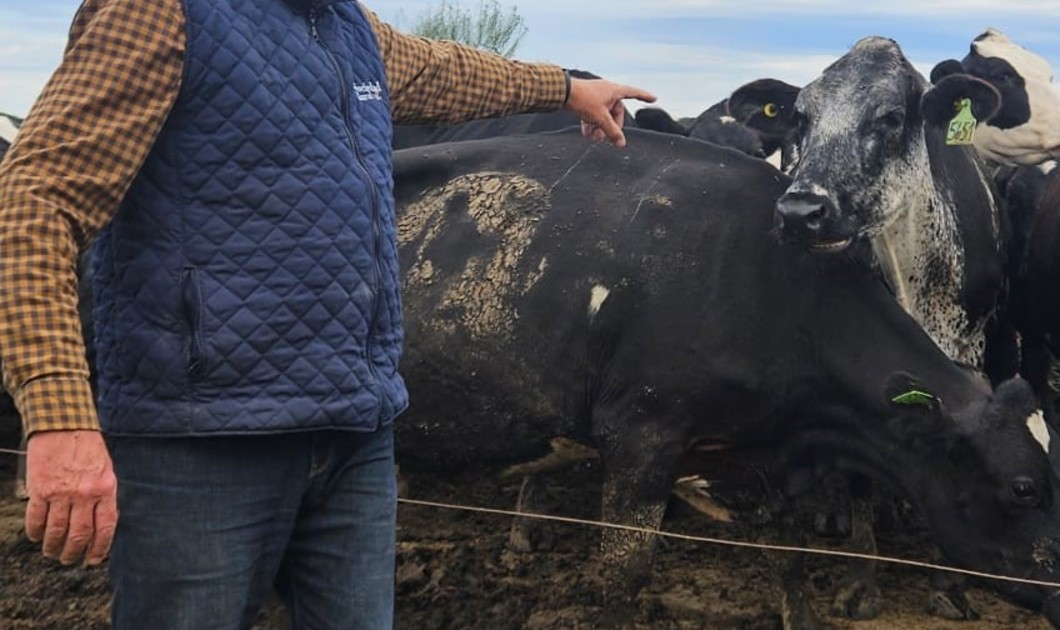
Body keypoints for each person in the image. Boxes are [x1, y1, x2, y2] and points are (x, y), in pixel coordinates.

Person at [0, 0, 655, 627]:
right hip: (201, 441)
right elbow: (33, 204)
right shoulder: (164, 11)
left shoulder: (345, 24)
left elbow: (451, 72)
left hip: (351, 431)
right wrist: (59, 415)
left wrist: (568, 88)